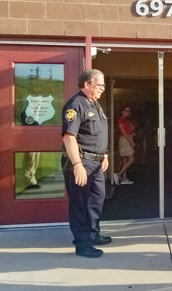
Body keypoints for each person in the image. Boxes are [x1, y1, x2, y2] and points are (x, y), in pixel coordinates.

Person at [61, 69, 111, 258]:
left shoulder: (95, 104)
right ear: (87, 84)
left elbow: (97, 134)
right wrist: (77, 165)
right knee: (80, 204)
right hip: (82, 162)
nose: (103, 89)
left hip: (97, 163)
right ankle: (82, 244)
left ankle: (93, 235)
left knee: (97, 199)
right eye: (100, 85)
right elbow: (69, 137)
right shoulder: (75, 105)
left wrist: (104, 154)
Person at [114, 105, 135, 185]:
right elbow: (123, 132)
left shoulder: (127, 121)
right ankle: (118, 174)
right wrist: (130, 141)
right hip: (125, 140)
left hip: (128, 139)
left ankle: (124, 177)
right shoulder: (121, 120)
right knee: (131, 159)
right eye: (126, 111)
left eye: (129, 111)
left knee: (125, 159)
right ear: (122, 111)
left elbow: (130, 131)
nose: (128, 113)